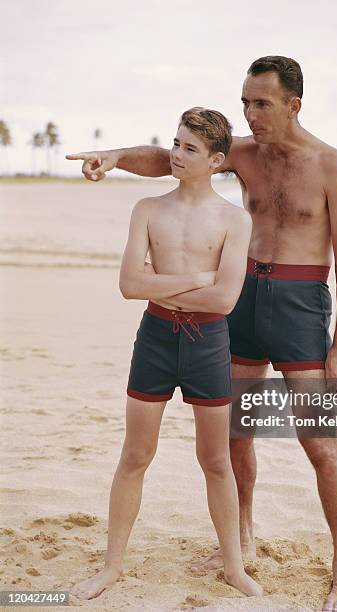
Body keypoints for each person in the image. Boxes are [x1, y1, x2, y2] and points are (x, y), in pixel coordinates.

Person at [67, 56, 337, 611]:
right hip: (243, 298)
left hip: (301, 302)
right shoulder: (245, 153)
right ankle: (242, 540)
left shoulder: (331, 166)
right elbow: (171, 159)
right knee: (236, 432)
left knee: (318, 439)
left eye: (262, 104)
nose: (250, 114)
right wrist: (114, 157)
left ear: (294, 105)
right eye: (246, 101)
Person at [71, 107, 262, 600]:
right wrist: (197, 279)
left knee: (216, 460)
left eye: (190, 149)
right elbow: (130, 286)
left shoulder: (233, 220)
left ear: (217, 160)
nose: (177, 155)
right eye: (175, 144)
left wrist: (166, 287)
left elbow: (225, 300)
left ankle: (235, 567)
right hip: (155, 339)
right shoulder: (148, 209)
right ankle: (112, 566)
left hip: (208, 343)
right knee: (135, 454)